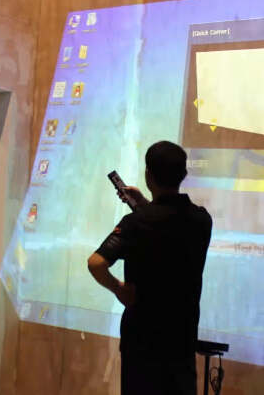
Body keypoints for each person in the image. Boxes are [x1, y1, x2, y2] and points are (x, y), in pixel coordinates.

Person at [87, 141, 212, 395]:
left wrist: (118, 288)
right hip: (181, 343)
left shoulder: (135, 223)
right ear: (184, 174)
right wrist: (145, 205)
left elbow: (96, 263)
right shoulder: (202, 220)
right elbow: (168, 225)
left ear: (148, 175)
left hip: (141, 346)